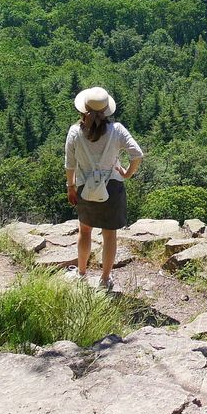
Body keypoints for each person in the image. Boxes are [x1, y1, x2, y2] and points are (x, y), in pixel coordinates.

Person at [64, 86, 143, 290]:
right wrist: (126, 174)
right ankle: (105, 280)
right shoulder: (117, 130)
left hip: (84, 187)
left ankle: (81, 274)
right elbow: (137, 154)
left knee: (85, 231)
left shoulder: (75, 132)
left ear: (83, 110)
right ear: (107, 109)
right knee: (109, 235)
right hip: (113, 187)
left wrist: (70, 187)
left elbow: (69, 164)